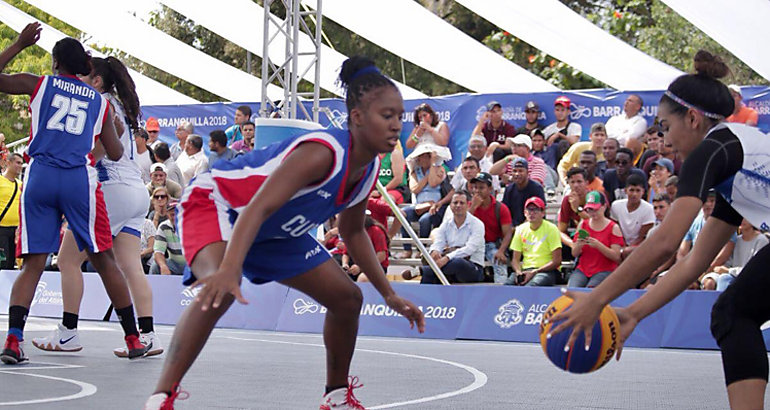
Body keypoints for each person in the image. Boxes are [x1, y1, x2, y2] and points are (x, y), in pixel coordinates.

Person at [143, 56, 424, 410]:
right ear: (357, 117)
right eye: (387, 116)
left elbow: (354, 232)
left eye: (400, 116)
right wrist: (230, 268)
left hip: (274, 233)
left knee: (348, 299)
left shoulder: (368, 169)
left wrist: (389, 294)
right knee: (221, 289)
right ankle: (160, 399)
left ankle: (336, 397)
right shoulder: (323, 153)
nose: (396, 125)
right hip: (220, 203)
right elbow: (258, 206)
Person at [547, 50, 770, 410]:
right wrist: (633, 312)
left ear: (693, 119)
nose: (664, 140)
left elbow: (666, 242)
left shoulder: (714, 150)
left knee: (734, 313)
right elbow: (694, 261)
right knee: (733, 312)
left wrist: (599, 297)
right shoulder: (736, 159)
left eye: (665, 127)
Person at [0, 24, 147, 365]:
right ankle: (132, 337)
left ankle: (13, 339)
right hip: (78, 180)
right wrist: (114, 131)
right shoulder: (99, 103)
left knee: (34, 263)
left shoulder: (39, 85)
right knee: (103, 260)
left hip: (40, 177)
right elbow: (112, 153)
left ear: (55, 63)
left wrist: (21, 43)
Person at [31, 55, 162, 358]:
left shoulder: (98, 101)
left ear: (97, 80)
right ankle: (148, 335)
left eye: (86, 76)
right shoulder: (125, 107)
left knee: (66, 259)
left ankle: (68, 331)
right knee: (130, 265)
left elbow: (101, 150)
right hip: (136, 192)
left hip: (113, 188)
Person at [418, 190, 485, 284]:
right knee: (432, 272)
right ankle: (422, 292)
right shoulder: (446, 224)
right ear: (450, 205)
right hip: (449, 267)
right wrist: (435, 251)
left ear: (468, 205)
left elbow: (470, 249)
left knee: (457, 263)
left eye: (462, 203)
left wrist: (447, 258)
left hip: (473, 267)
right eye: (455, 202)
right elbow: (439, 242)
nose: (458, 205)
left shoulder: (477, 224)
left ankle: (424, 270)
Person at [568, 190, 624, 288]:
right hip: (583, 269)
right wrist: (579, 244)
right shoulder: (583, 224)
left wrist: (599, 245)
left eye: (595, 209)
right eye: (589, 210)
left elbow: (616, 256)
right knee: (572, 289)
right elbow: (574, 253)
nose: (592, 213)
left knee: (591, 290)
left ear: (604, 207)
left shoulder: (613, 227)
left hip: (604, 269)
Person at [469, 172, 513, 284]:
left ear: (490, 189)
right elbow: (463, 226)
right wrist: (473, 207)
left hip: (491, 244)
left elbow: (507, 233)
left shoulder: (500, 208)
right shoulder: (469, 206)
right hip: (472, 244)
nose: (477, 191)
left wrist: (501, 251)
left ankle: (501, 289)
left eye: (481, 187)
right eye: (475, 187)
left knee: (499, 261)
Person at [508, 196, 562, 286]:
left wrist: (535, 272)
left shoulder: (552, 228)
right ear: (525, 213)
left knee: (532, 286)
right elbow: (515, 259)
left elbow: (557, 261)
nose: (531, 213)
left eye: (536, 210)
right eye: (529, 210)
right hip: (526, 269)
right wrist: (518, 272)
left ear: (543, 213)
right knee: (507, 286)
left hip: (546, 271)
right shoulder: (520, 229)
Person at [707, 220, 768, 291]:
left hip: (752, 279)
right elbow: (729, 263)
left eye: (745, 217)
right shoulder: (737, 240)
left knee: (725, 278)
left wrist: (728, 271)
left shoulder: (761, 240)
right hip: (734, 276)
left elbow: (755, 269)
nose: (742, 220)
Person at [610, 173, 655, 247]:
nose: (634, 194)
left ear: (643, 192)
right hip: (619, 241)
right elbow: (615, 229)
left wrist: (627, 249)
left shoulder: (649, 209)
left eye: (638, 191)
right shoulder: (616, 206)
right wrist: (622, 245)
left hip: (639, 245)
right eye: (631, 190)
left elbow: (641, 237)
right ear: (625, 190)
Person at [501, 158, 545, 227]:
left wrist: (520, 229)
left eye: (521, 171)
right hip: (513, 227)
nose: (517, 174)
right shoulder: (509, 189)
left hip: (533, 226)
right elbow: (505, 212)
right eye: (514, 171)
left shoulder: (536, 188)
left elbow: (539, 212)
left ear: (527, 173)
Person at [149, 201, 185, 276]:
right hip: (174, 264)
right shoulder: (163, 227)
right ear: (167, 215)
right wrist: (163, 266)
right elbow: (158, 252)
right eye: (172, 215)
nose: (175, 217)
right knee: (155, 266)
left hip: (192, 265)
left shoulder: (192, 225)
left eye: (178, 214)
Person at [542, 96, 581, 164]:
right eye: (557, 110)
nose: (560, 113)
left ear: (568, 112)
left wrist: (558, 135)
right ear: (554, 111)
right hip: (552, 160)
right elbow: (540, 140)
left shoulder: (575, 126)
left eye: (563, 110)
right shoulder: (549, 128)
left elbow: (574, 141)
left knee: (563, 143)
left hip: (569, 160)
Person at [0, 153, 22, 269]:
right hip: (1, 228)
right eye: (17, 162)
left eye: (21, 163)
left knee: (11, 263)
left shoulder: (20, 185)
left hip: (15, 230)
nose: (20, 166)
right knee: (3, 262)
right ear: (8, 162)